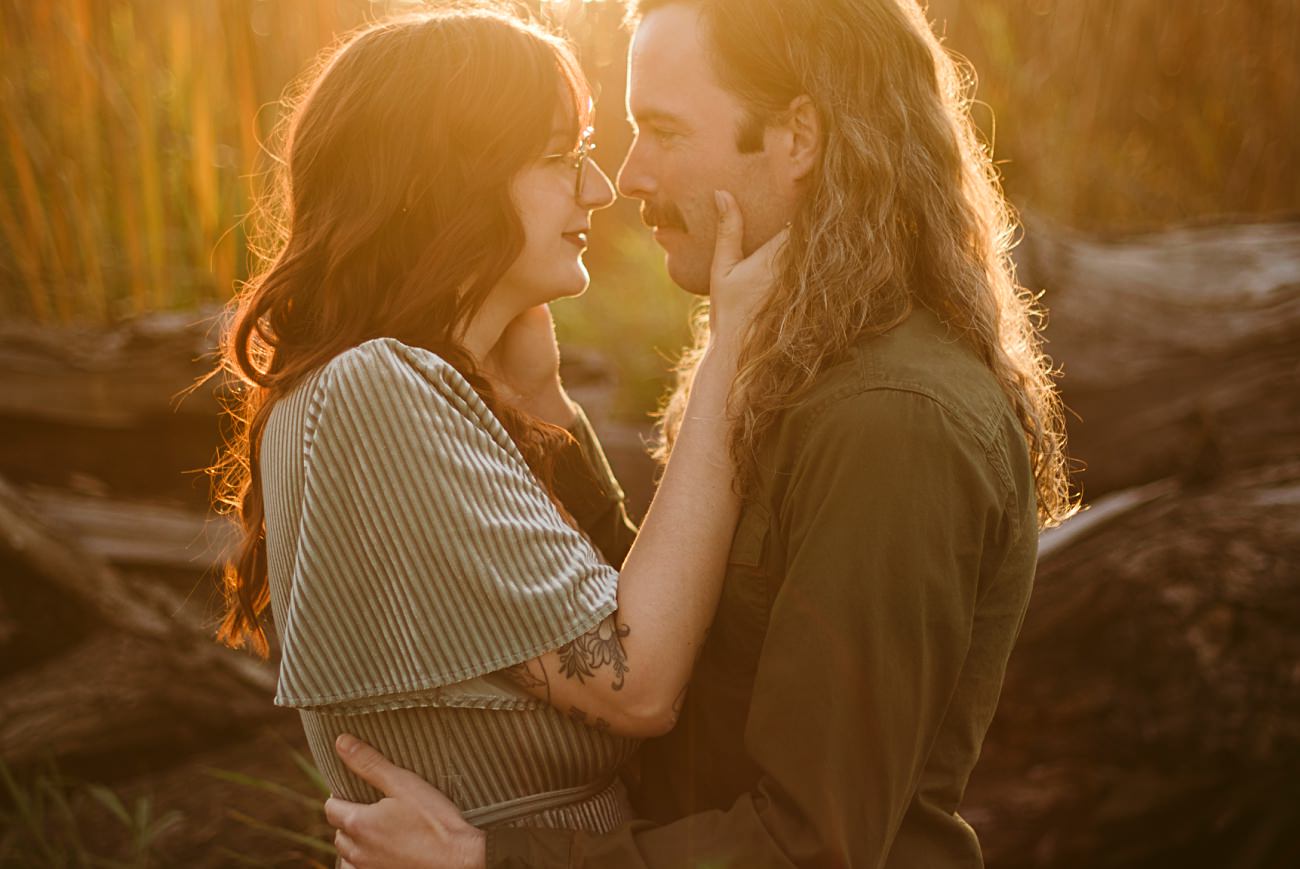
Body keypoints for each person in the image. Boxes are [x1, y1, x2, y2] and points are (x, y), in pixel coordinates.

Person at [323, 0, 1077, 867]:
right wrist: (546, 414)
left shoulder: (892, 422)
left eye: (665, 132)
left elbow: (810, 845)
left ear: (798, 137)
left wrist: (488, 860)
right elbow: (677, 648)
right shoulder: (783, 358)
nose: (629, 176)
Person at [210, 7, 784, 837]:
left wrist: (544, 404)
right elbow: (641, 678)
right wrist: (734, 357)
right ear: (439, 179)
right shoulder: (375, 393)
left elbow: (615, 620)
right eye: (560, 158)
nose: (599, 187)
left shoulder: (403, 393)